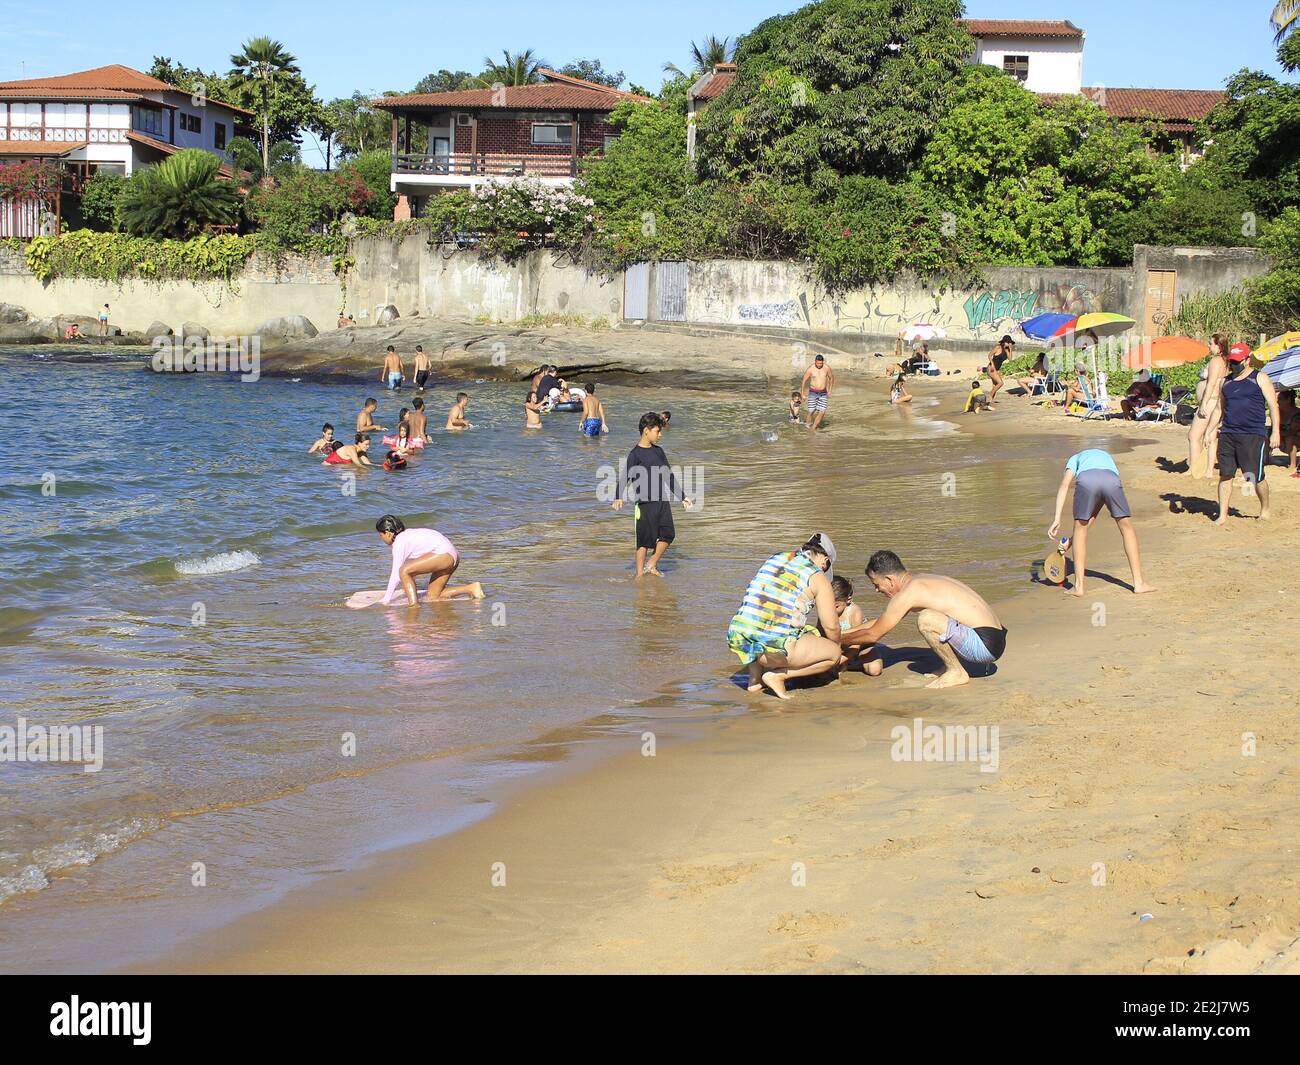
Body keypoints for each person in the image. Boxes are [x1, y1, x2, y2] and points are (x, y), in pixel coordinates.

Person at [842, 551, 1006, 689]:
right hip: (994, 637)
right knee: (935, 617)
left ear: (890, 579)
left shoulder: (909, 593)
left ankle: (956, 672)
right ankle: (949, 667)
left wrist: (838, 640)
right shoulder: (920, 582)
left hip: (984, 645)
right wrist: (841, 633)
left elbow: (873, 635)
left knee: (926, 619)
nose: (876, 590)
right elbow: (881, 622)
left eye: (876, 584)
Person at [726, 534, 843, 700]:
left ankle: (755, 681)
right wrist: (836, 649)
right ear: (825, 560)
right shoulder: (816, 576)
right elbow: (831, 626)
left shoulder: (776, 557)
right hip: (776, 648)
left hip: (740, 637)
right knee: (833, 654)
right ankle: (778, 676)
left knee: (761, 620)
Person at [1048, 449, 1154, 597]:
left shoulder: (1074, 458)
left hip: (1086, 481)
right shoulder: (1106, 457)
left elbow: (1065, 485)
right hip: (1111, 480)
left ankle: (1079, 587)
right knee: (1127, 528)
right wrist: (1070, 541)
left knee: (1080, 529)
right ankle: (1139, 583)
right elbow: (1096, 509)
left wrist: (1057, 518)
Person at [610, 412, 694, 577]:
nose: (660, 435)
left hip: (662, 501)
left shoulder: (659, 452)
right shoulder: (635, 454)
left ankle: (651, 564)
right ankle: (639, 575)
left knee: (669, 534)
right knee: (644, 541)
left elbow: (668, 476)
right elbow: (625, 476)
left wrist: (682, 496)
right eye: (658, 431)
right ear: (646, 430)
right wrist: (618, 496)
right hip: (644, 503)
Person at [1214, 343, 1280, 526]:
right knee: (1225, 474)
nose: (1234, 365)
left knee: (1254, 475)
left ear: (1247, 360)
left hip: (1253, 434)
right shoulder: (1225, 382)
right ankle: (1223, 515)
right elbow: (1220, 408)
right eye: (1231, 361)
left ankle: (1265, 508)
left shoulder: (1260, 378)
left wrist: (1275, 432)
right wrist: (1211, 431)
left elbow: (1273, 406)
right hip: (1228, 433)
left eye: (1237, 361)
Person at [375, 515, 484, 607]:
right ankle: (472, 588)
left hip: (444, 555)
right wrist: (406, 589)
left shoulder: (399, 543)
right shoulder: (408, 536)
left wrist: (386, 599)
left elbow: (397, 574)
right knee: (433, 596)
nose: (381, 538)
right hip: (452, 556)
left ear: (388, 533)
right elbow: (413, 569)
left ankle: (414, 606)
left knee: (403, 570)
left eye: (381, 535)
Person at [1188, 334, 1231, 478]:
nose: (1209, 346)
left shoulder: (1216, 360)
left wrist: (1203, 404)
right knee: (1212, 437)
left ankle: (1194, 469)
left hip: (1211, 400)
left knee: (1193, 436)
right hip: (1217, 401)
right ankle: (1208, 470)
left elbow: (1212, 382)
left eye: (1211, 344)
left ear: (1218, 346)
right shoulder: (1225, 361)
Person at [830, 575, 884, 675]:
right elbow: (820, 634)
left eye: (836, 606)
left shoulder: (854, 612)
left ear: (848, 600)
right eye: (828, 605)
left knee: (875, 670)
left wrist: (840, 661)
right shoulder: (826, 611)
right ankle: (849, 663)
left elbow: (857, 642)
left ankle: (855, 662)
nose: (831, 609)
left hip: (862, 648)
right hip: (839, 648)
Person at [800, 354, 834, 431]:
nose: (819, 365)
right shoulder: (810, 369)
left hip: (823, 393)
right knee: (811, 411)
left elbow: (831, 378)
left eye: (821, 363)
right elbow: (804, 381)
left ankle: (813, 429)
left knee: (822, 411)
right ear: (815, 361)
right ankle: (807, 427)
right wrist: (802, 393)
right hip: (813, 393)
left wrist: (830, 390)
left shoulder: (826, 368)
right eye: (818, 363)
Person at [986, 335, 1014, 404]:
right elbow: (989, 355)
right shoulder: (998, 347)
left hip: (997, 369)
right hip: (991, 368)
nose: (1009, 344)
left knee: (995, 385)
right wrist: (992, 364)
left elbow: (1010, 359)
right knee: (1000, 383)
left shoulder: (1007, 350)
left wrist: (1010, 349)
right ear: (1004, 342)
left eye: (1010, 343)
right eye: (1008, 342)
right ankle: (989, 396)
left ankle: (990, 400)